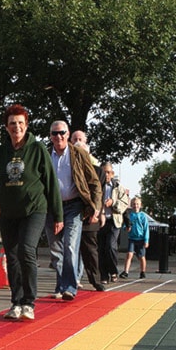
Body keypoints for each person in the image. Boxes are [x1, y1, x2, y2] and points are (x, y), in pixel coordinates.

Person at [0, 105, 63, 320]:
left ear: (26, 126)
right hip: (7, 211)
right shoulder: (1, 151)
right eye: (12, 123)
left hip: (34, 209)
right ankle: (16, 301)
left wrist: (58, 215)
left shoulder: (38, 149)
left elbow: (51, 182)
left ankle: (29, 302)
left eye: (20, 123)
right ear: (6, 127)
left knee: (26, 250)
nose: (16, 127)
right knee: (12, 255)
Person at [46, 120, 102, 300]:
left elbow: (94, 182)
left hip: (74, 206)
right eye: (55, 133)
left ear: (68, 134)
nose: (58, 136)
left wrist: (96, 208)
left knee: (70, 247)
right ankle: (61, 284)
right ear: (50, 136)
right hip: (52, 207)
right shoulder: (46, 155)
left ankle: (69, 287)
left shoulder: (78, 154)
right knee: (56, 250)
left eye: (62, 132)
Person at [70, 130, 106, 292]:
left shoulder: (98, 171)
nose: (78, 142)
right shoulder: (65, 166)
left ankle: (96, 280)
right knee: (68, 248)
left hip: (89, 214)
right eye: (75, 140)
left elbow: (100, 192)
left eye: (81, 140)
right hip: (70, 211)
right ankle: (69, 282)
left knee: (90, 249)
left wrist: (98, 212)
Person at [98, 162, 129, 283]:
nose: (106, 175)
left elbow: (124, 203)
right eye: (103, 172)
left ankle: (113, 271)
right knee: (101, 249)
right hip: (100, 221)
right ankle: (104, 275)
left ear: (112, 173)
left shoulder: (118, 187)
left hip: (113, 221)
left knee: (110, 246)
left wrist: (113, 204)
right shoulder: (97, 186)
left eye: (108, 172)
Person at [119, 196, 150, 279]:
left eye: (137, 204)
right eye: (133, 204)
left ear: (140, 205)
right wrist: (126, 228)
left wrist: (146, 240)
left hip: (140, 239)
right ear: (131, 205)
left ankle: (142, 271)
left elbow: (146, 229)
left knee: (141, 256)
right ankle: (126, 271)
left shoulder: (143, 216)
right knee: (129, 254)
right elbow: (125, 225)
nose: (135, 206)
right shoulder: (130, 215)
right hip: (132, 238)